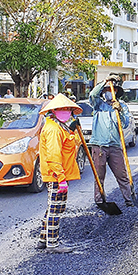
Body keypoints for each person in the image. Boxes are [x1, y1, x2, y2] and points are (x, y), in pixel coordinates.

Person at [37, 93, 82, 253]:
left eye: (68, 109)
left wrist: (74, 130)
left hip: (62, 174)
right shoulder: (53, 129)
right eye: (61, 109)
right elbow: (53, 156)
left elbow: (74, 143)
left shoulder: (62, 127)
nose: (65, 111)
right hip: (56, 175)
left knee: (53, 208)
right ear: (54, 111)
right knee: (55, 210)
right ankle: (53, 244)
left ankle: (43, 239)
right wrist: (61, 179)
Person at [89, 74, 134, 207]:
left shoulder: (122, 106)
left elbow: (125, 124)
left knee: (122, 175)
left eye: (112, 90)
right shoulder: (98, 105)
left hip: (115, 146)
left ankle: (129, 199)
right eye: (107, 90)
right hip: (100, 146)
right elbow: (92, 94)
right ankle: (99, 201)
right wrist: (105, 81)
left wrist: (119, 111)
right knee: (99, 177)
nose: (110, 93)